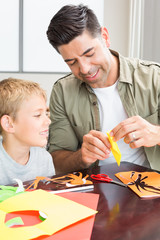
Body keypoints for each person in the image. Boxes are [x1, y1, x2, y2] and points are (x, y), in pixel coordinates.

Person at [46, 4, 160, 174]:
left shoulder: (154, 77)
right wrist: (81, 157)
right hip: (93, 190)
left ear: (105, 37)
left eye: (89, 54)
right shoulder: (62, 91)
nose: (84, 68)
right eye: (72, 62)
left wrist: (156, 134)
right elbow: (56, 162)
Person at [0, 78, 55, 185]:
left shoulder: (44, 159)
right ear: (8, 124)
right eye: (37, 115)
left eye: (46, 114)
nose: (48, 121)